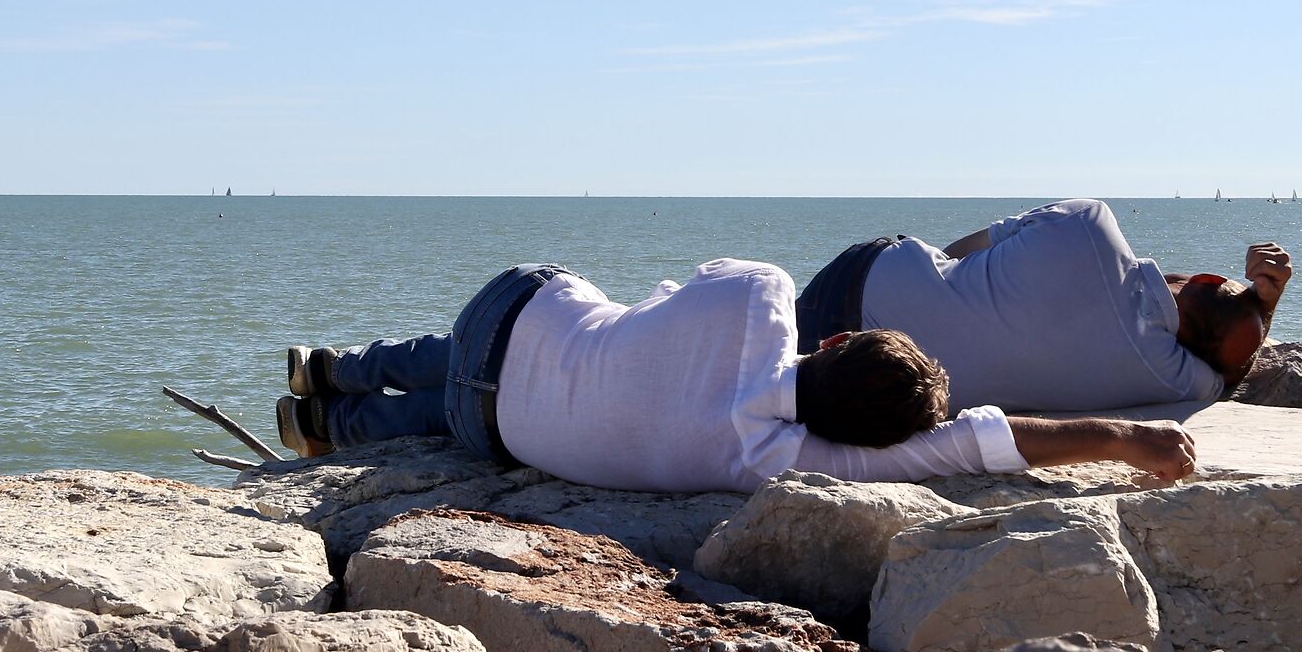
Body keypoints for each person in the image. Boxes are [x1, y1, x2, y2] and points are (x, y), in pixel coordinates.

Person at [276, 257, 1196, 493]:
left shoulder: (767, 296)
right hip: (501, 432)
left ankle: (339, 366)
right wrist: (1121, 434)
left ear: (836, 343)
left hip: (509, 317)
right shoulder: (778, 460)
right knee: (447, 415)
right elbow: (976, 446)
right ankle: (331, 429)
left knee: (464, 350)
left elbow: (680, 288)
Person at [795, 200, 1292, 413]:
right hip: (886, 384)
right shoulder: (1165, 375)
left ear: (1206, 278)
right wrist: (1266, 308)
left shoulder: (1090, 225)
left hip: (857, 291)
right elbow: (1225, 377)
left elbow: (963, 250)